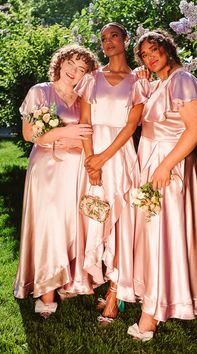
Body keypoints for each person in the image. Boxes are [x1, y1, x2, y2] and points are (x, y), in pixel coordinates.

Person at [127, 29, 197, 341]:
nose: (150, 58)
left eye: (154, 51)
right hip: (154, 162)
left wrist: (166, 166)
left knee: (161, 234)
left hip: (170, 165)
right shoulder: (159, 83)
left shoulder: (182, 80)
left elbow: (195, 129)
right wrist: (141, 83)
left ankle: (150, 318)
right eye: (144, 55)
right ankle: (159, 297)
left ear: (168, 49)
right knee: (157, 235)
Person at [14, 44, 99, 318]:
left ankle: (68, 279)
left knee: (72, 225)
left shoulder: (84, 98)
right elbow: (30, 134)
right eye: (71, 64)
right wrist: (65, 132)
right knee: (49, 226)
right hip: (47, 169)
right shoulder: (40, 91)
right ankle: (45, 290)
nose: (74, 72)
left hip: (76, 171)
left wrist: (73, 137)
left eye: (82, 69)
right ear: (60, 62)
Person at [74, 22, 148, 324]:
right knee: (97, 216)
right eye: (103, 39)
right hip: (93, 155)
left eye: (114, 36)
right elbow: (85, 121)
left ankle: (117, 292)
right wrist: (91, 160)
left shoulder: (138, 80)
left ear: (126, 40)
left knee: (122, 222)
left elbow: (132, 126)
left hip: (119, 155)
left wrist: (103, 158)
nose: (108, 42)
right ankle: (105, 277)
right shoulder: (92, 78)